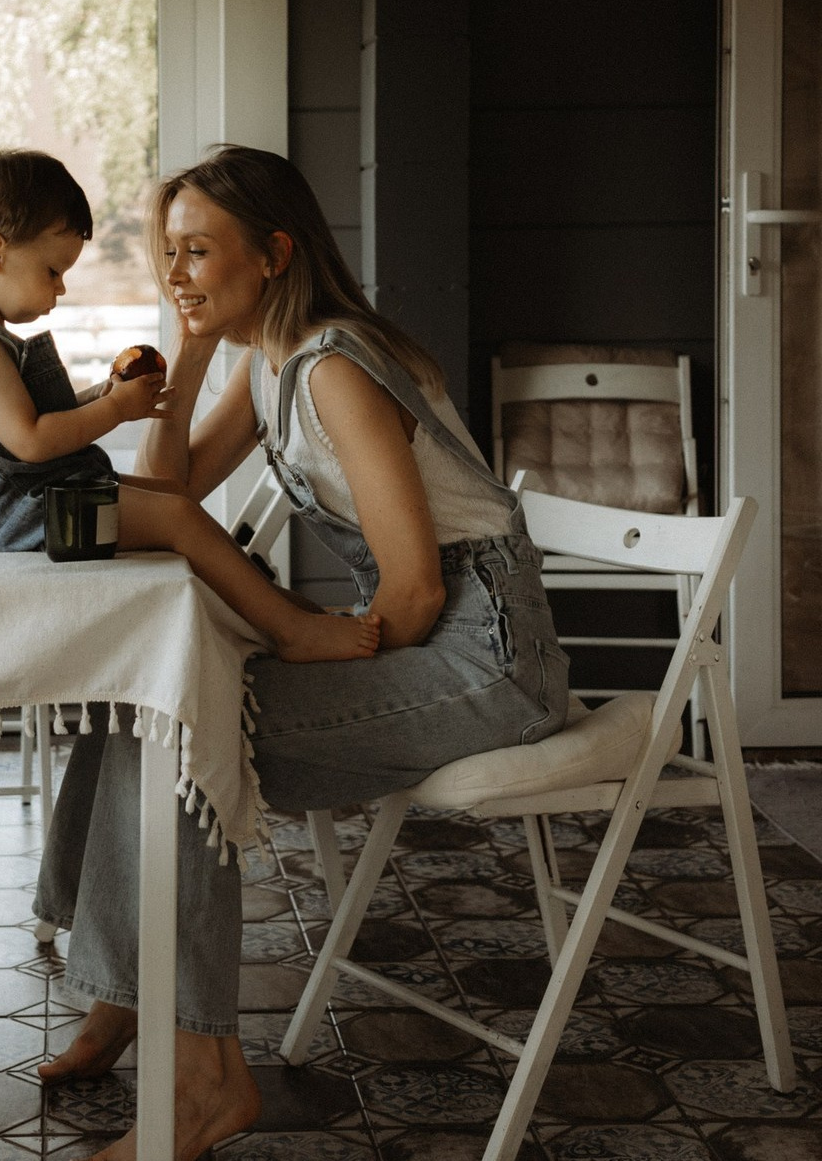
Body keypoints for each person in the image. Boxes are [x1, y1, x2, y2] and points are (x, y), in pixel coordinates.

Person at [31, 145, 571, 1160]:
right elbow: (169, 493)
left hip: (485, 661)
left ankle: (202, 1081)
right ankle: (123, 990)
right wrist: (185, 360)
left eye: (196, 251)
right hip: (432, 639)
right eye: (168, 254)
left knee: (183, 733)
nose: (176, 273)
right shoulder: (274, 355)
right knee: (144, 699)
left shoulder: (333, 366)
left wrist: (310, 652)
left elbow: (412, 591)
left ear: (274, 251)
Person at [0, 148, 380, 664]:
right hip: (29, 511)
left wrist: (100, 396)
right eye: (52, 271)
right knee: (176, 516)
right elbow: (30, 441)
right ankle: (290, 629)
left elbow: (16, 428)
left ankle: (285, 611)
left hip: (35, 500)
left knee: (163, 500)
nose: (59, 290)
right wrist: (116, 412)